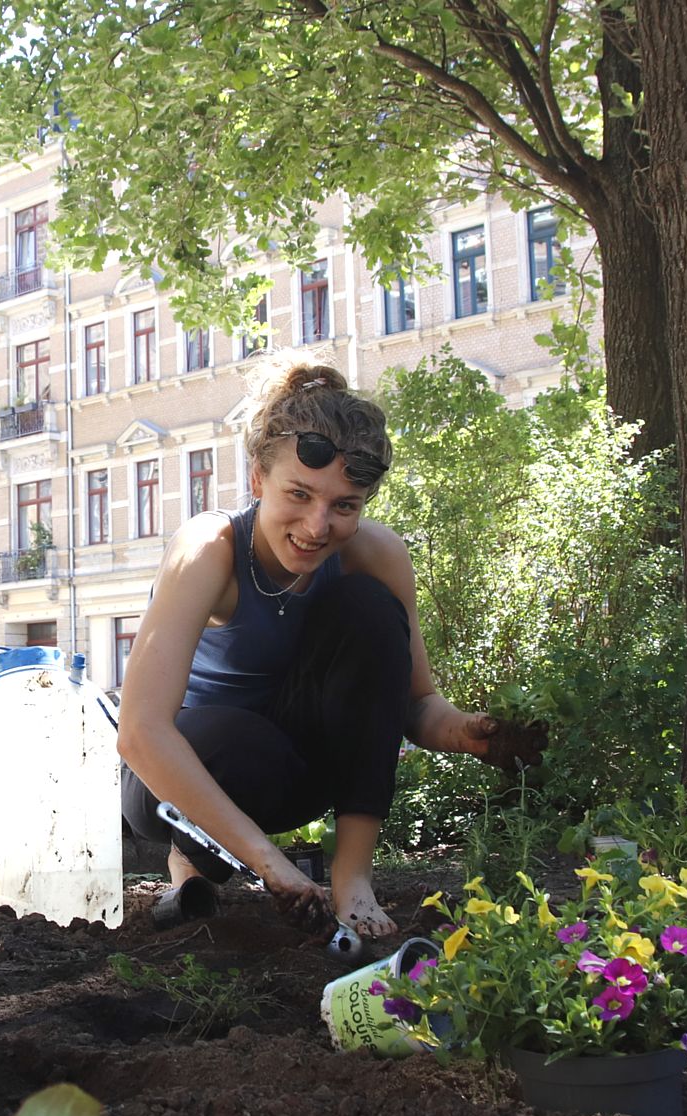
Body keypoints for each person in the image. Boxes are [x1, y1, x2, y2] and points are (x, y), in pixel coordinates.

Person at [115, 356, 536, 942]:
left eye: (344, 506)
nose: (317, 527)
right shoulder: (208, 548)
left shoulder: (376, 555)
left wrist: (465, 731)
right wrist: (272, 865)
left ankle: (352, 877)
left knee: (367, 607)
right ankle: (189, 861)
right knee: (235, 741)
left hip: (292, 774)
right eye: (300, 494)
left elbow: (413, 705)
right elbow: (140, 733)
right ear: (258, 479)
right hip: (175, 779)